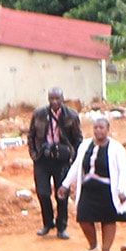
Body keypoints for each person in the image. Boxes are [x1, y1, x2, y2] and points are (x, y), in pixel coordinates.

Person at [68, 119, 126, 251]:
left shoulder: (116, 148)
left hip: (108, 189)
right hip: (88, 188)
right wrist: (65, 184)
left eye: (101, 127)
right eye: (95, 127)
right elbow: (77, 166)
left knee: (108, 219)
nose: (98, 130)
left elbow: (124, 170)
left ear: (107, 129)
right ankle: (93, 245)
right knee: (83, 217)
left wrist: (121, 189)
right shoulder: (85, 146)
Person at [29, 89, 84, 238]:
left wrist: (73, 156)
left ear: (62, 99)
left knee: (62, 193)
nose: (54, 102)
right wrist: (34, 154)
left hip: (62, 159)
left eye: (57, 99)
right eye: (51, 99)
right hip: (42, 158)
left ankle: (62, 227)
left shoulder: (71, 115)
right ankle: (47, 223)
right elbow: (31, 135)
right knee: (43, 192)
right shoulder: (39, 114)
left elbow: (78, 138)